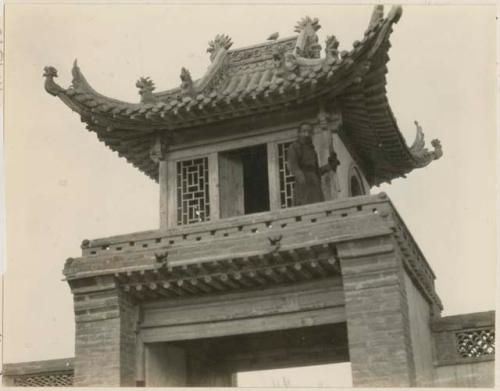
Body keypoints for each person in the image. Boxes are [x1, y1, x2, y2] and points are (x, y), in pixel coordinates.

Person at [287, 122, 340, 206]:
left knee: (319, 207)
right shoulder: (294, 147)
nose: (306, 134)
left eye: (309, 132)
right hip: (303, 184)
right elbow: (294, 166)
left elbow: (316, 171)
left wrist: (329, 166)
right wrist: (302, 180)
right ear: (299, 133)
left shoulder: (312, 151)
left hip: (315, 183)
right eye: (304, 131)